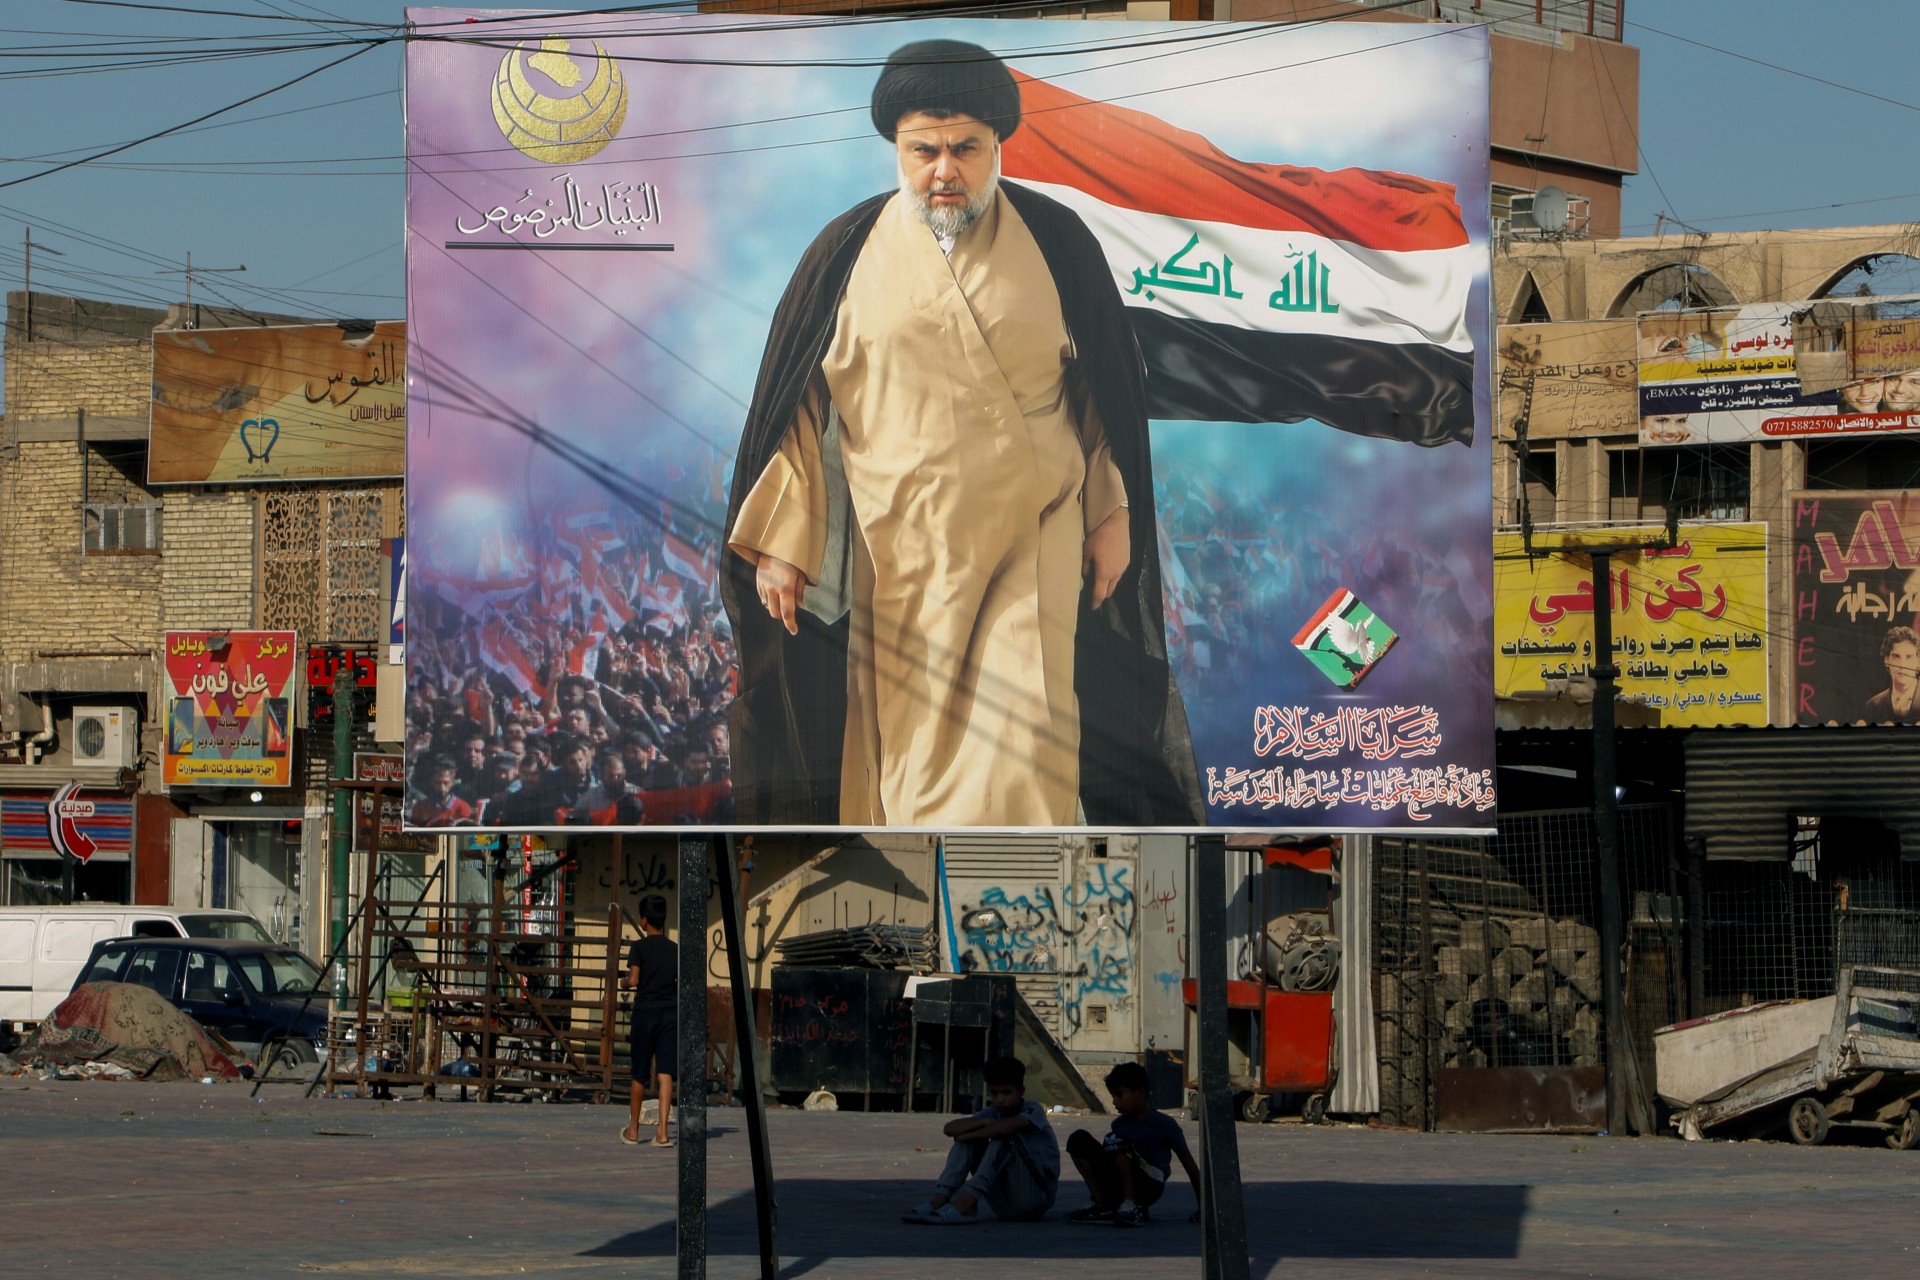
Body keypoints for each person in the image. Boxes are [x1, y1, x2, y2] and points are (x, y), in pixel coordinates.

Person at [722, 38, 1201, 828]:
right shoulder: (843, 253)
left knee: (1023, 753)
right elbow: (799, 405)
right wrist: (784, 540)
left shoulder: (1059, 242)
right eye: (925, 151)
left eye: (965, 149)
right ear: (897, 150)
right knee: (909, 772)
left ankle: (1017, 892)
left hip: (1032, 539)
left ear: (998, 146)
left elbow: (1103, 395)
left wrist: (1111, 511)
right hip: (900, 554)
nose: (944, 170)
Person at [902, 1055, 1058, 1224]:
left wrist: (970, 1134)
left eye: (1006, 1093)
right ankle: (942, 1198)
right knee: (971, 1135)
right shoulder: (994, 1111)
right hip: (1004, 1204)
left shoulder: (1033, 1109)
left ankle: (966, 1201)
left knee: (1002, 1136)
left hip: (1034, 1197)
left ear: (1020, 1092)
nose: (999, 1099)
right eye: (994, 1093)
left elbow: (1005, 1128)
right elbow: (949, 1129)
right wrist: (981, 1124)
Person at [1063, 1061, 1203, 1228]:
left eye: (1119, 1095)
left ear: (1140, 1092)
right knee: (1078, 1139)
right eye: (1112, 1096)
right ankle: (1101, 1204)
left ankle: (1132, 1204)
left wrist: (1204, 1208)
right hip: (1120, 1182)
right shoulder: (1118, 1125)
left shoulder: (1163, 1123)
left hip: (1149, 1184)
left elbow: (1189, 1165)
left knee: (1116, 1141)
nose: (1115, 1102)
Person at [620, 894, 675, 1147]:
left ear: (644, 920)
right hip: (669, 1013)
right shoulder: (675, 949)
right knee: (665, 1073)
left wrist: (623, 982)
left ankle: (633, 1130)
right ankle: (662, 1133)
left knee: (639, 1073)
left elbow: (633, 980)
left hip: (645, 1013)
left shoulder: (639, 948)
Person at [1865, 625, 1920, 724]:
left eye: (1909, 657)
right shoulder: (1873, 705)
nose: (1902, 665)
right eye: (1896, 657)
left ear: (1918, 661)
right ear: (1886, 660)